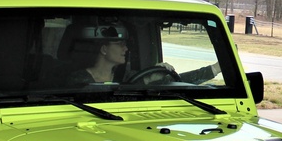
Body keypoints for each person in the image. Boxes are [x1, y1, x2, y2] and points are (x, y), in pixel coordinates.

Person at [66, 23, 221, 86]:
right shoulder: (77, 80)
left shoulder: (128, 78)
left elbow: (178, 83)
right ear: (104, 49)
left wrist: (215, 68)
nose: (125, 49)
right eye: (120, 44)